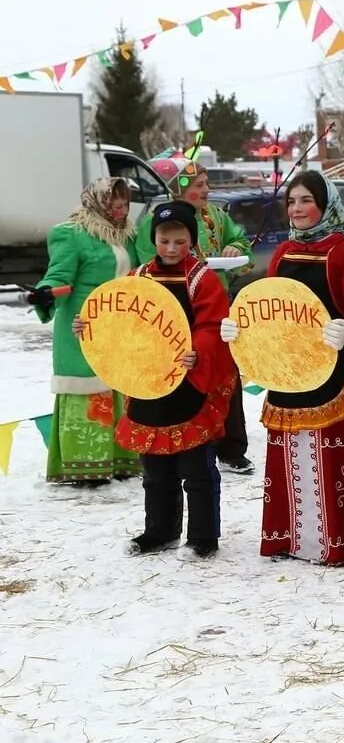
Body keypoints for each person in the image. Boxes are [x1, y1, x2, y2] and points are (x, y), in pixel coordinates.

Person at [221, 171, 344, 565]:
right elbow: (272, 310)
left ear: (325, 204)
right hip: (288, 368)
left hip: (333, 368)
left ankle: (343, 540)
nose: (297, 209)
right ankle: (290, 536)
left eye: (306, 201)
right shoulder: (283, 253)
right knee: (293, 453)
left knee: (331, 454)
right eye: (292, 202)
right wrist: (241, 329)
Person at [97, 200, 234, 557]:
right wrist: (91, 327)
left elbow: (212, 324)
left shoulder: (201, 279)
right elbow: (117, 317)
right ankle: (159, 531)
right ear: (153, 238)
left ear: (191, 240)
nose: (171, 249)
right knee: (155, 469)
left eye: (179, 241)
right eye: (163, 240)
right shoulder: (138, 278)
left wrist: (199, 353)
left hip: (188, 384)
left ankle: (203, 537)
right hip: (147, 384)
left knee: (196, 469)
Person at [138, 159, 255, 476]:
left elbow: (244, 244)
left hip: (218, 309)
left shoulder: (216, 216)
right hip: (171, 316)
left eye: (205, 183)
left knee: (225, 374)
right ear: (179, 187)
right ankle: (173, 447)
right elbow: (145, 266)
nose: (207, 189)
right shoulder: (154, 221)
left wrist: (233, 248)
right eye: (199, 184)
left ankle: (231, 447)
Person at [25, 178, 141, 484]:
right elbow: (59, 275)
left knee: (120, 388)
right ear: (98, 202)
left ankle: (123, 459)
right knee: (88, 392)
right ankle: (86, 466)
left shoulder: (128, 235)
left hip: (120, 326)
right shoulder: (72, 234)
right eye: (115, 205)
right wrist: (46, 293)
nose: (121, 210)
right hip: (83, 326)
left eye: (125, 204)